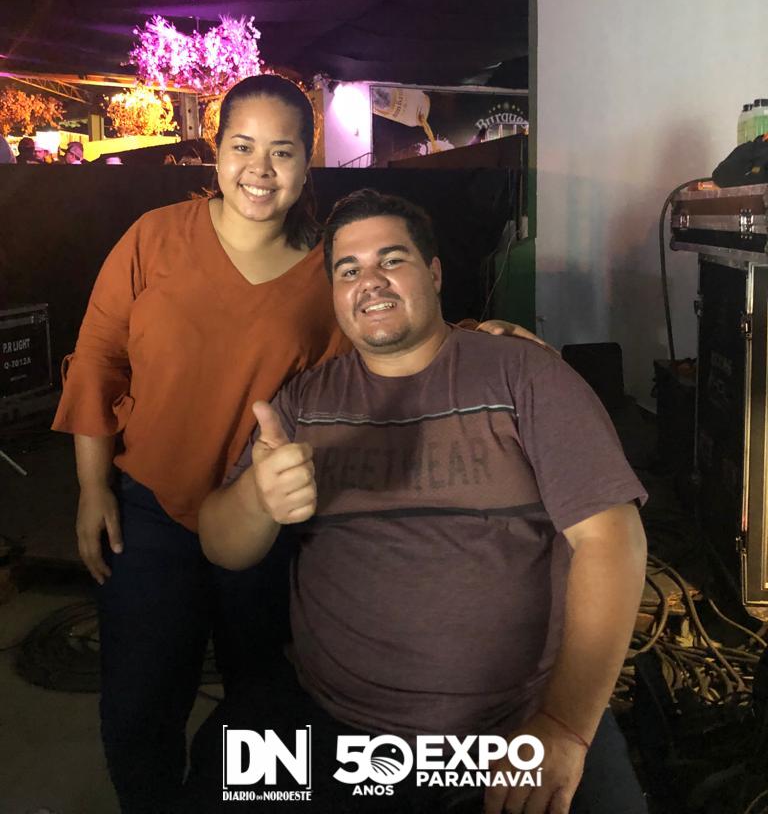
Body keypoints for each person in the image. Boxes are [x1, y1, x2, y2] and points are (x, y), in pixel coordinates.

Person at [52, 78, 526, 814]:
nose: (260, 169)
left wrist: (472, 336)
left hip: (266, 524)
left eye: (282, 151)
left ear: (308, 163)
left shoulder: (323, 272)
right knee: (139, 704)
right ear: (216, 152)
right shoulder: (153, 238)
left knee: (263, 711)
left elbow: (385, 342)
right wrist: (91, 488)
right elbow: (96, 361)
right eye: (243, 146)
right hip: (150, 516)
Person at [193, 189, 649, 814]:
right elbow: (222, 545)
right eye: (348, 270)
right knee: (208, 783)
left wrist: (566, 725)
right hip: (332, 724)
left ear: (434, 273)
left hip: (513, 725)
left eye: (392, 260)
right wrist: (256, 497)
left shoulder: (523, 375)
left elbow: (611, 539)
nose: (370, 281)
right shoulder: (304, 402)